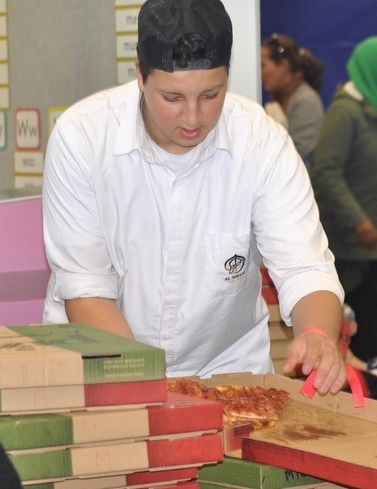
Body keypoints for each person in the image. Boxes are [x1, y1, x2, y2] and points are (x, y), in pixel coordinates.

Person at [41, 0, 346, 395]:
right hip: (102, 362)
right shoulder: (82, 139)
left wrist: (319, 333)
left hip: (225, 372)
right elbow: (87, 291)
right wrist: (153, 393)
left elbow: (305, 267)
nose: (192, 118)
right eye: (172, 98)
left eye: (210, 94)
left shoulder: (260, 142)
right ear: (140, 75)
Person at [310, 35, 377, 364]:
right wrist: (359, 221)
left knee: (371, 341)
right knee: (341, 338)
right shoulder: (344, 112)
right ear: (374, 68)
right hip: (348, 248)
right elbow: (326, 173)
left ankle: (368, 404)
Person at [260, 33, 325, 168]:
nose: (260, 72)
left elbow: (298, 154)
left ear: (284, 66)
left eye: (263, 65)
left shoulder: (306, 101)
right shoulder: (279, 97)